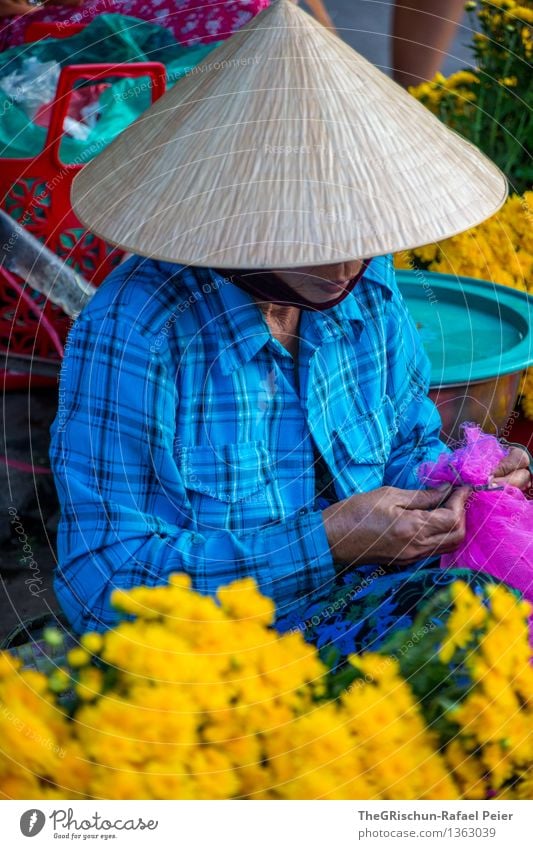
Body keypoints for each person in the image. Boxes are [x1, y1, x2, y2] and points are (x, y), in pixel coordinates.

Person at [51, 1, 529, 650]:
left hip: (369, 612)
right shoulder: (138, 331)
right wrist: (322, 541)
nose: (342, 266)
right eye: (306, 237)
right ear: (226, 218)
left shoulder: (364, 277)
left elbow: (401, 445)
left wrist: (457, 479)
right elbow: (97, 584)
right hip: (224, 667)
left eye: (357, 234)